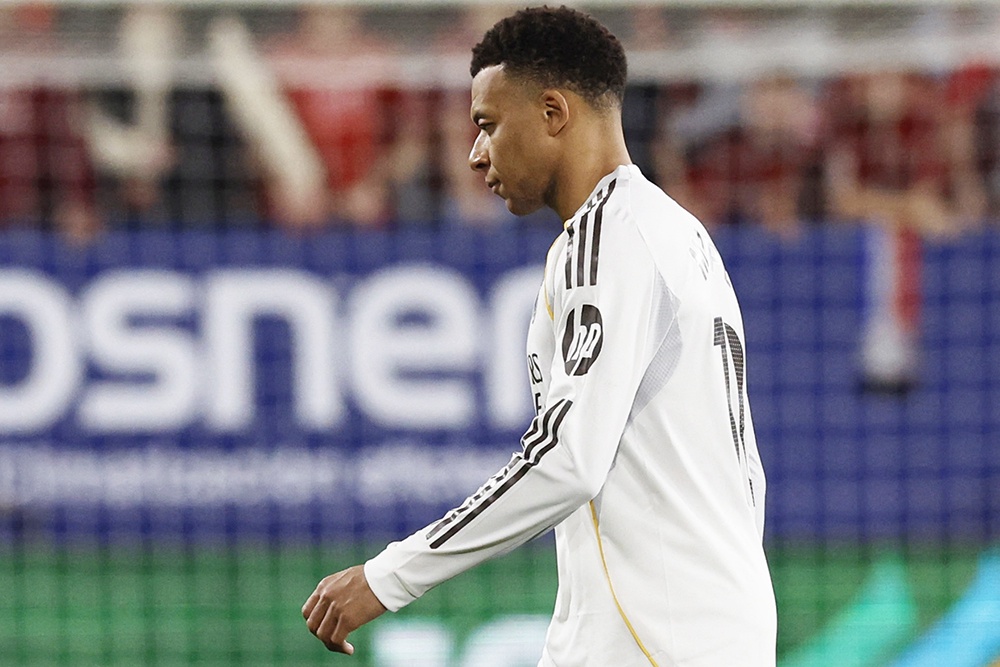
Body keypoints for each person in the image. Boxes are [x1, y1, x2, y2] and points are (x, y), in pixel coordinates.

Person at [302, 7, 777, 666]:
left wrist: (389, 576)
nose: (476, 155)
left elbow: (568, 458)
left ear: (553, 113)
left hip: (653, 641)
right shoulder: (679, 231)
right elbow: (745, 467)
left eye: (488, 125)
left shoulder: (607, 242)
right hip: (709, 629)